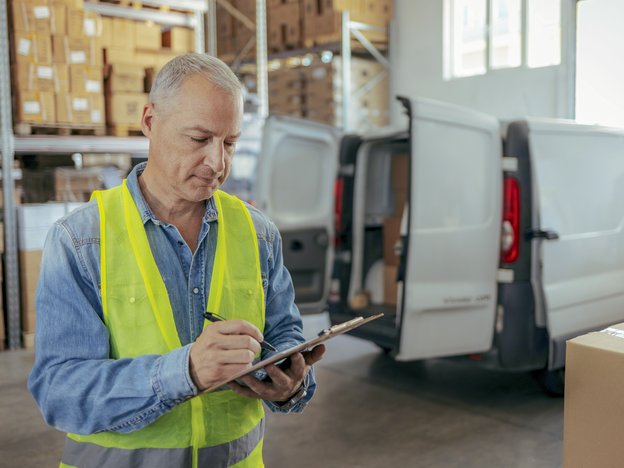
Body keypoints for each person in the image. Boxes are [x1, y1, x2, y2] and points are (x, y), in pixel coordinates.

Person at [28, 53, 325, 468]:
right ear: (150, 121)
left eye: (230, 142)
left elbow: (284, 335)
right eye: (199, 139)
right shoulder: (81, 241)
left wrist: (290, 383)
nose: (217, 162)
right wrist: (184, 371)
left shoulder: (258, 234)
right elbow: (61, 392)